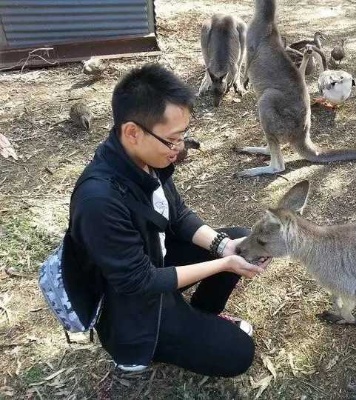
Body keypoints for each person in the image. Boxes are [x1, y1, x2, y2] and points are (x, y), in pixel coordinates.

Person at [65, 63, 270, 377]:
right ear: (132, 132)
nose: (179, 148)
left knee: (238, 241)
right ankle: (139, 351)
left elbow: (177, 215)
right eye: (173, 140)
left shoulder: (145, 157)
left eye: (183, 137)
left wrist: (224, 247)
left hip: (153, 264)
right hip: (132, 310)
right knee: (240, 353)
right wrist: (223, 263)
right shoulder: (98, 201)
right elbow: (140, 282)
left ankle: (197, 318)